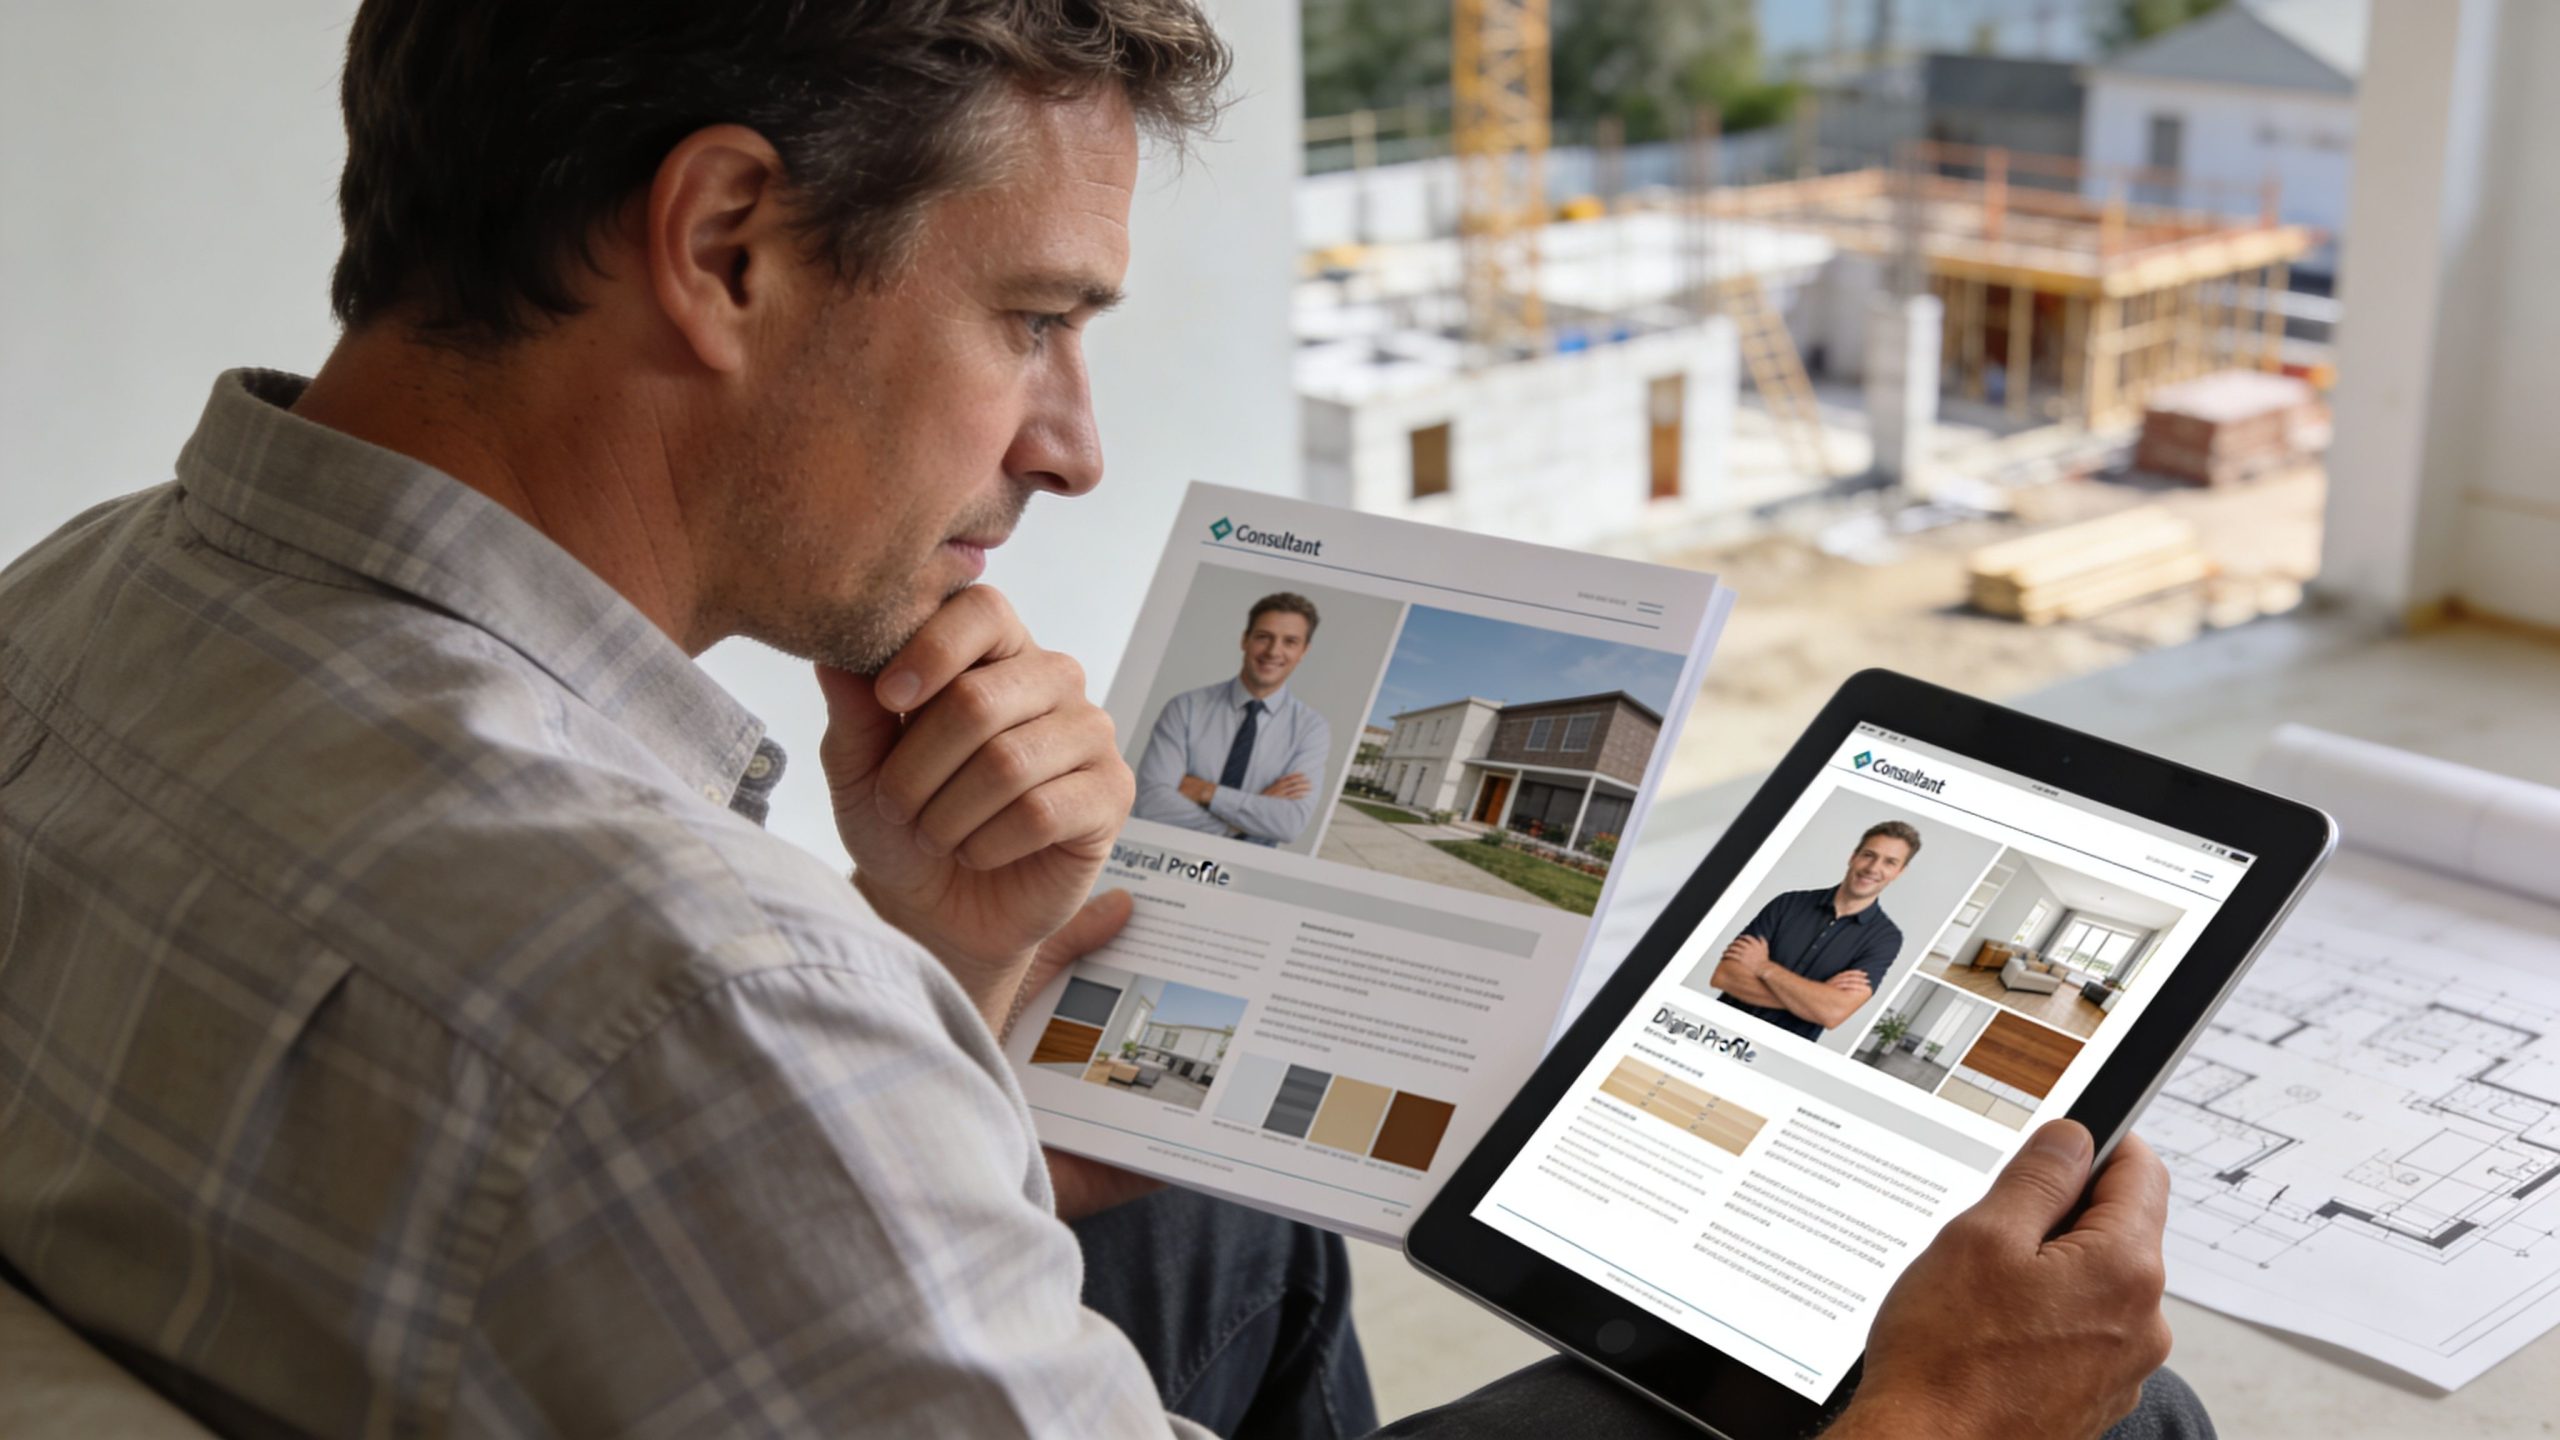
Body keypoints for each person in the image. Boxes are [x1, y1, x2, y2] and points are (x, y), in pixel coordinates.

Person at [0, 3, 2210, 1436]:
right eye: (1032, 320)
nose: (1065, 447)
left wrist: (941, 976)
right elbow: (687, 1087)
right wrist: (1920, 1429)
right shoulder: (703, 1009)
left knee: (1203, 1200)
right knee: (2085, 1408)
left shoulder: (75, 601)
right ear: (726, 243)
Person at [1132, 592, 1333, 847]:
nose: (1273, 651)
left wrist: (1207, 792)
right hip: (1164, 856)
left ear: (1304, 651)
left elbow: (1289, 823)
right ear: (1245, 639)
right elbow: (1151, 803)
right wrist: (1240, 822)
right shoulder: (1186, 708)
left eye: (1290, 642)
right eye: (1263, 637)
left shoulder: (1311, 729)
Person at [1711, 821, 1919, 1042]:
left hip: (1778, 1055)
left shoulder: (1886, 939)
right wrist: (1812, 1002)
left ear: (1899, 872)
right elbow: (1724, 977)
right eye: (1868, 855)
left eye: (1890, 862)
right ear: (1853, 856)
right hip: (1713, 1031)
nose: (1873, 867)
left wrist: (1763, 967)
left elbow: (1833, 1014)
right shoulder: (1788, 903)